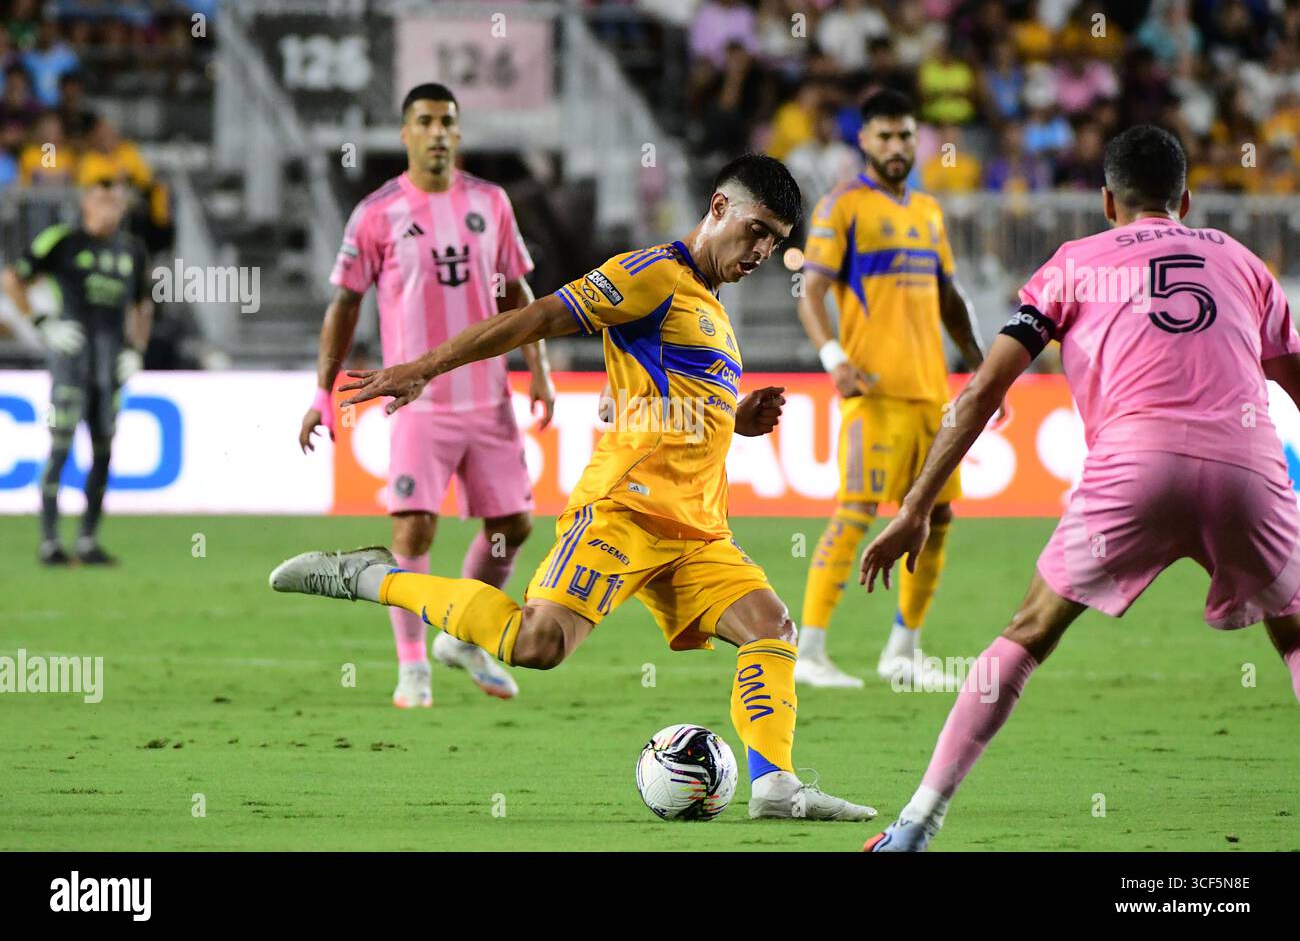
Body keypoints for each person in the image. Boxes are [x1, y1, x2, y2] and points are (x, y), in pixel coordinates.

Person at [271, 154, 876, 822]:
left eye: (776, 241)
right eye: (757, 229)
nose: (762, 249)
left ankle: (776, 788)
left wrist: (733, 419)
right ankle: (373, 577)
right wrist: (423, 368)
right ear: (717, 208)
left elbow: (664, 403)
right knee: (538, 645)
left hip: (697, 528)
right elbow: (534, 319)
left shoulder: (708, 305)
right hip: (624, 511)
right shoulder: (646, 277)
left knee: (772, 627)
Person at [861, 125, 1300, 851]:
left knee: (1028, 633)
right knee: (1294, 635)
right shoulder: (1245, 263)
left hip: (1134, 469)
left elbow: (981, 395)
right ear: (1186, 199)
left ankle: (915, 826)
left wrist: (914, 508)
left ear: (1106, 201)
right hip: (1247, 465)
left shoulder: (1073, 262)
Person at [298, 83, 554, 709]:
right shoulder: (377, 212)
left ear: (458, 133)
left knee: (514, 526)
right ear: (405, 131)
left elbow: (518, 297)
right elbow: (345, 305)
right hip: (417, 404)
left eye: (447, 121)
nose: (438, 131)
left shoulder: (491, 203)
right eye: (425, 121)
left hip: (487, 398)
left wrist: (539, 369)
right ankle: (413, 665)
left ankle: (460, 639)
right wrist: (323, 390)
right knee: (412, 529)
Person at [795, 90, 1000, 690]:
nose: (895, 147)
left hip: (932, 396)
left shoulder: (928, 212)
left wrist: (985, 369)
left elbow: (949, 301)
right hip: (873, 391)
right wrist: (834, 358)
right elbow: (810, 293)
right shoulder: (842, 207)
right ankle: (809, 652)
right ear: (864, 141)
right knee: (855, 511)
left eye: (905, 136)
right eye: (884, 136)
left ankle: (902, 653)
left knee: (937, 517)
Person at [1, 178, 152, 565]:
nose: (109, 209)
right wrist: (41, 323)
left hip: (110, 366)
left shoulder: (131, 251)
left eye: (115, 203)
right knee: (61, 445)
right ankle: (50, 541)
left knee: (103, 450)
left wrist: (136, 350)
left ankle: (87, 539)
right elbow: (12, 278)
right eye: (102, 201)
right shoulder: (62, 240)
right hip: (70, 362)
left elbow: (142, 306)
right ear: (86, 204)